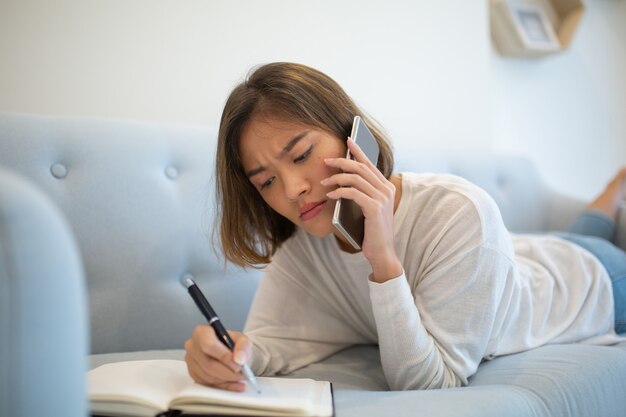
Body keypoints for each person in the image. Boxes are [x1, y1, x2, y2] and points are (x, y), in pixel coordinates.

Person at [184, 62, 626, 392]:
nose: (294, 189)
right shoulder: (304, 246)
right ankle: (610, 196)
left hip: (594, 282)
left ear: (349, 131)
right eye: (266, 181)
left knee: (589, 242)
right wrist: (230, 352)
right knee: (580, 231)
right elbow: (276, 341)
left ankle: (612, 193)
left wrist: (384, 263)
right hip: (525, 256)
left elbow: (431, 384)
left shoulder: (458, 210)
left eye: (300, 155)